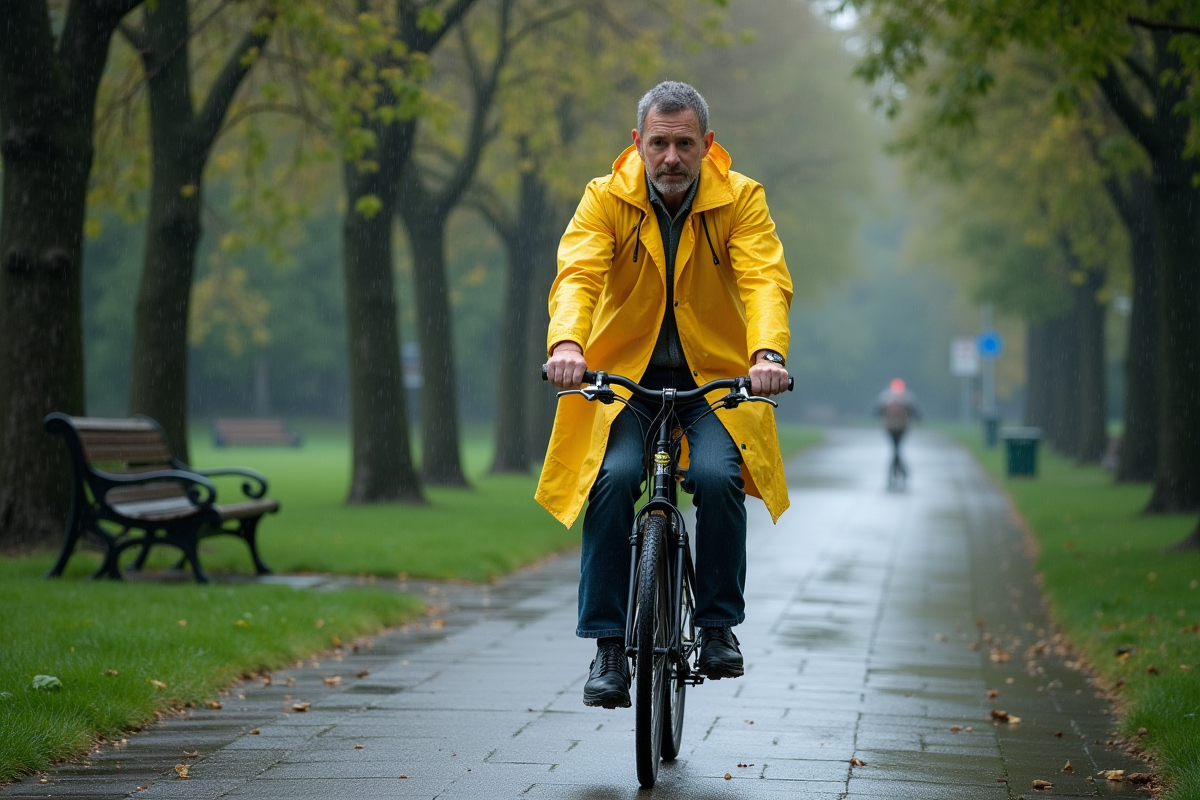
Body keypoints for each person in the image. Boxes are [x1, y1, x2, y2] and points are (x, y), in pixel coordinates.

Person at [537, 81, 793, 709]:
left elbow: (763, 279)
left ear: (707, 145)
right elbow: (579, 275)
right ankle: (606, 646)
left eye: (684, 143)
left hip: (712, 380)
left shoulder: (741, 201)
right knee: (614, 476)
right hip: (627, 382)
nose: (672, 157)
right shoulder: (604, 199)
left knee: (714, 474)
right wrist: (569, 345)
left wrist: (767, 354)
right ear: (638, 144)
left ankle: (716, 626)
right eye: (659, 143)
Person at [875, 378, 920, 488]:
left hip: (899, 428)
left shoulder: (904, 397)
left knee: (896, 449)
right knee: (896, 450)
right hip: (892, 428)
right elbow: (878, 410)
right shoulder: (888, 397)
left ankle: (897, 470)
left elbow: (914, 411)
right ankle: (901, 471)